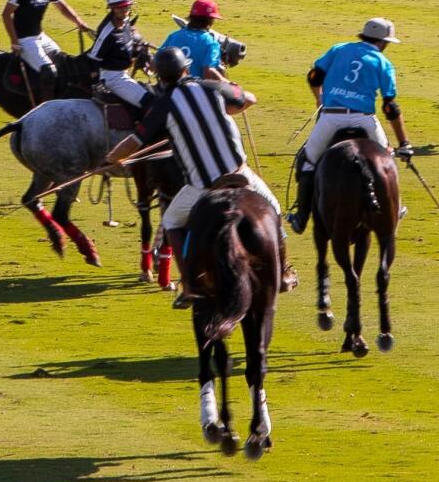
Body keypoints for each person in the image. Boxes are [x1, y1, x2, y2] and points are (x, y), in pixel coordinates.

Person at [148, 46, 289, 306]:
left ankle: (190, 284)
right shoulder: (212, 88)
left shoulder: (162, 105)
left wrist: (114, 157)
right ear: (186, 69)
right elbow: (249, 99)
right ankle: (283, 273)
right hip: (239, 174)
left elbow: (136, 139)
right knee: (274, 209)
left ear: (161, 76)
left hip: (201, 187)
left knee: (171, 220)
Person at [294, 17, 410, 234]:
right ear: (383, 43)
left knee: (307, 161)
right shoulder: (383, 63)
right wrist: (404, 143)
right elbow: (390, 107)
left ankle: (302, 215)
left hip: (330, 117)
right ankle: (395, 207)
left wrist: (320, 100)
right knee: (387, 161)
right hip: (364, 119)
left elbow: (313, 76)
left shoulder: (339, 49)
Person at [2, 0, 90, 105]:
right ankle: (45, 107)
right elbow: (6, 14)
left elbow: (63, 8)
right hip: (25, 40)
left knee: (63, 62)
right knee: (49, 71)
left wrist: (79, 22)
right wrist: (14, 41)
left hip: (40, 36)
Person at [87, 0, 148, 109]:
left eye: (126, 6)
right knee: (148, 101)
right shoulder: (107, 32)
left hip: (123, 74)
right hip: (113, 78)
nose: (124, 10)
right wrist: (97, 82)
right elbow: (93, 58)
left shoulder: (126, 21)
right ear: (112, 8)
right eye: (119, 7)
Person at [162, 0, 228, 77]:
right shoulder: (211, 43)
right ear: (211, 20)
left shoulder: (174, 36)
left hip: (170, 88)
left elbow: (157, 62)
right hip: (195, 88)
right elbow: (208, 71)